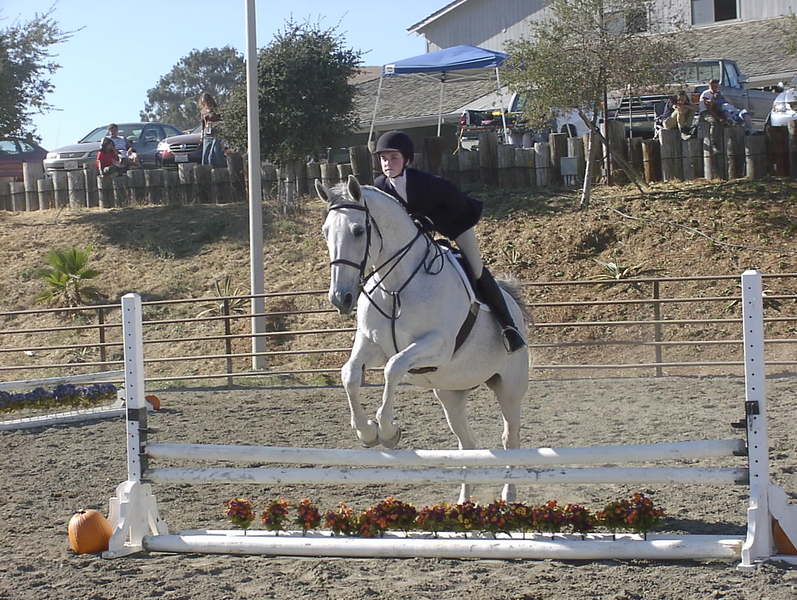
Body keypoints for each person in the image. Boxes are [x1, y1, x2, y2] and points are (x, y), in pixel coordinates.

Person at [372, 130, 525, 353]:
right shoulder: (379, 187)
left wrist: (430, 221)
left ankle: (509, 327)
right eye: (383, 158)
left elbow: (457, 203)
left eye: (394, 157)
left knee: (476, 269)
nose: (388, 163)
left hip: (455, 224)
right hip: (417, 239)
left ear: (407, 160)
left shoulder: (426, 183)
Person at [198, 92, 226, 167]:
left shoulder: (216, 109)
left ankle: (221, 167)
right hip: (207, 134)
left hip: (216, 133)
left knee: (216, 152)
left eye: (206, 101)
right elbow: (203, 124)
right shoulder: (203, 111)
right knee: (205, 153)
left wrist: (216, 124)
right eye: (203, 102)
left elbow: (222, 120)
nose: (205, 103)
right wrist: (202, 135)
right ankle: (206, 169)